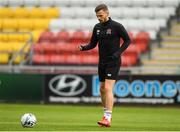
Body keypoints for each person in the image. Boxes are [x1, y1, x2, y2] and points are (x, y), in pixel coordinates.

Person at [78, 4, 131, 127]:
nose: (99, 18)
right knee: (101, 89)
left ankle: (108, 117)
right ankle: (105, 115)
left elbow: (128, 40)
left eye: (100, 15)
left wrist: (118, 53)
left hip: (113, 61)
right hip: (102, 62)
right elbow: (93, 43)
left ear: (107, 13)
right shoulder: (97, 27)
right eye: (97, 16)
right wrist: (83, 48)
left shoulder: (117, 26)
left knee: (108, 88)